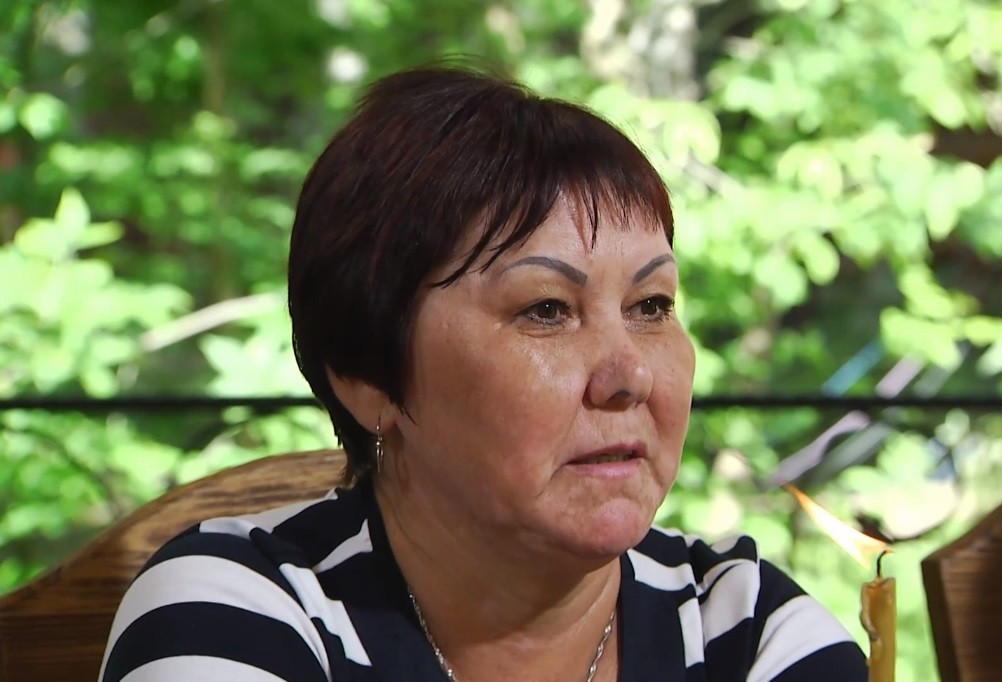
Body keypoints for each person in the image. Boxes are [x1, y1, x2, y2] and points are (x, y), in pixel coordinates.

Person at [100, 64, 868, 681]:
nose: (629, 374)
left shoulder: (743, 628)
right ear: (367, 375)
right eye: (547, 310)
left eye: (652, 305)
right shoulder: (238, 609)